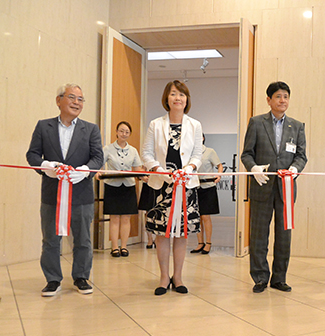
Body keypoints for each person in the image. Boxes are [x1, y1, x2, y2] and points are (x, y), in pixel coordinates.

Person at [26, 83, 103, 297]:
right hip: (52, 194)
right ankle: (52, 280)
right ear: (59, 100)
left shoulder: (91, 129)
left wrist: (86, 170)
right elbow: (32, 155)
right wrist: (46, 167)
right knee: (50, 239)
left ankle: (81, 277)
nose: (76, 102)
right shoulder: (44, 126)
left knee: (83, 239)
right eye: (72, 97)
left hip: (82, 194)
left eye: (80, 99)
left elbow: (98, 157)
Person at [241, 81, 307, 293]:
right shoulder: (257, 122)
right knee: (259, 235)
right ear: (269, 100)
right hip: (262, 187)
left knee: (284, 235)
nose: (282, 100)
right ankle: (260, 277)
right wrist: (253, 168)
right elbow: (246, 154)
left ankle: (279, 278)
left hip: (286, 189)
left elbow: (301, 156)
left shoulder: (297, 126)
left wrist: (295, 170)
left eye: (286, 96)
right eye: (278, 96)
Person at [142, 80, 203, 296]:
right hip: (161, 186)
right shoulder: (155, 124)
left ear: (187, 100)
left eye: (182, 95)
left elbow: (198, 153)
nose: (178, 98)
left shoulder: (195, 125)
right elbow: (147, 153)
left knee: (181, 233)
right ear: (166, 98)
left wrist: (189, 168)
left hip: (186, 185)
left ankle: (178, 276)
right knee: (162, 234)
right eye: (174, 94)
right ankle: (163, 277)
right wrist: (159, 169)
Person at [96, 121, 145, 257]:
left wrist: (143, 177)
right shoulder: (107, 148)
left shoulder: (133, 150)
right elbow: (98, 164)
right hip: (113, 186)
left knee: (126, 218)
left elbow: (137, 169)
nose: (124, 134)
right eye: (121, 131)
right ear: (116, 132)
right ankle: (114, 247)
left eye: (127, 132)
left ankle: (124, 246)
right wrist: (98, 173)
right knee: (115, 218)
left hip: (128, 186)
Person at [191, 134, 223, 255]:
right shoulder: (191, 153)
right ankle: (200, 243)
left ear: (203, 138)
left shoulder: (209, 151)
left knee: (205, 216)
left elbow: (219, 165)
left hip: (208, 186)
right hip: (194, 186)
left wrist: (219, 175)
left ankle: (208, 243)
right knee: (197, 216)